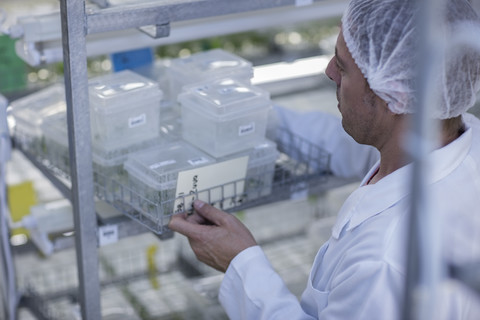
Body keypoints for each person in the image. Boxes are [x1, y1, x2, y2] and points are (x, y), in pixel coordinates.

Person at [169, 0, 480, 318]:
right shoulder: (454, 141)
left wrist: (240, 263)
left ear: (396, 93)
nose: (329, 71)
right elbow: (340, 143)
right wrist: (244, 111)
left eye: (344, 66)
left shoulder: (384, 261)